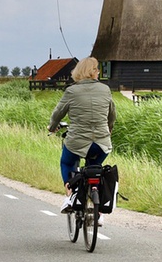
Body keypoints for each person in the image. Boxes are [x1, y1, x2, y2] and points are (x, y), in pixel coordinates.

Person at [47, 57, 116, 214]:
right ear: (92, 72)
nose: (98, 72)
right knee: (95, 168)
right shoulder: (105, 89)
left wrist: (52, 127)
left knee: (67, 162)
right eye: (97, 69)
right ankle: (98, 211)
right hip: (101, 143)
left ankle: (70, 197)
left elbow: (58, 113)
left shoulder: (71, 91)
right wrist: (109, 129)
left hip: (77, 142)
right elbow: (112, 114)